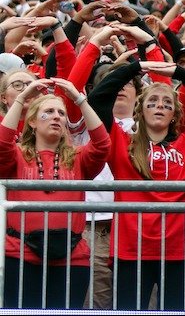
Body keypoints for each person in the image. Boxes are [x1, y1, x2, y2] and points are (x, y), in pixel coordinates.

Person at [87, 61, 185, 310]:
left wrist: (180, 73)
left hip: (181, 252)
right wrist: (133, 68)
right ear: (140, 111)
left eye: (167, 103)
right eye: (152, 102)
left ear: (175, 115)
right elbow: (97, 99)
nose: (159, 106)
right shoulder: (121, 144)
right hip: (131, 251)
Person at [1, 78, 110, 309]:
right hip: (19, 255)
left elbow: (102, 145)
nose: (57, 116)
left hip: (72, 259)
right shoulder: (17, 156)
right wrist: (21, 99)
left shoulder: (79, 157)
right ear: (32, 122)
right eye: (48, 111)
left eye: (61, 113)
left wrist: (79, 100)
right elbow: (1, 144)